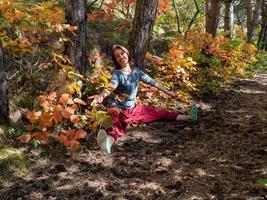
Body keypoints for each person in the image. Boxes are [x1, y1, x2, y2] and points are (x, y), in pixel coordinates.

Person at [89, 45, 195, 154]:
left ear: (127, 54)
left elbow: (153, 83)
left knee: (159, 113)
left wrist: (170, 93)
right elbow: (112, 85)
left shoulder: (136, 72)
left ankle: (188, 117)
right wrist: (101, 95)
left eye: (122, 53)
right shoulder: (117, 74)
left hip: (132, 109)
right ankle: (108, 143)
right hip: (116, 107)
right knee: (115, 124)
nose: (121, 57)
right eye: (117, 56)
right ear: (116, 60)